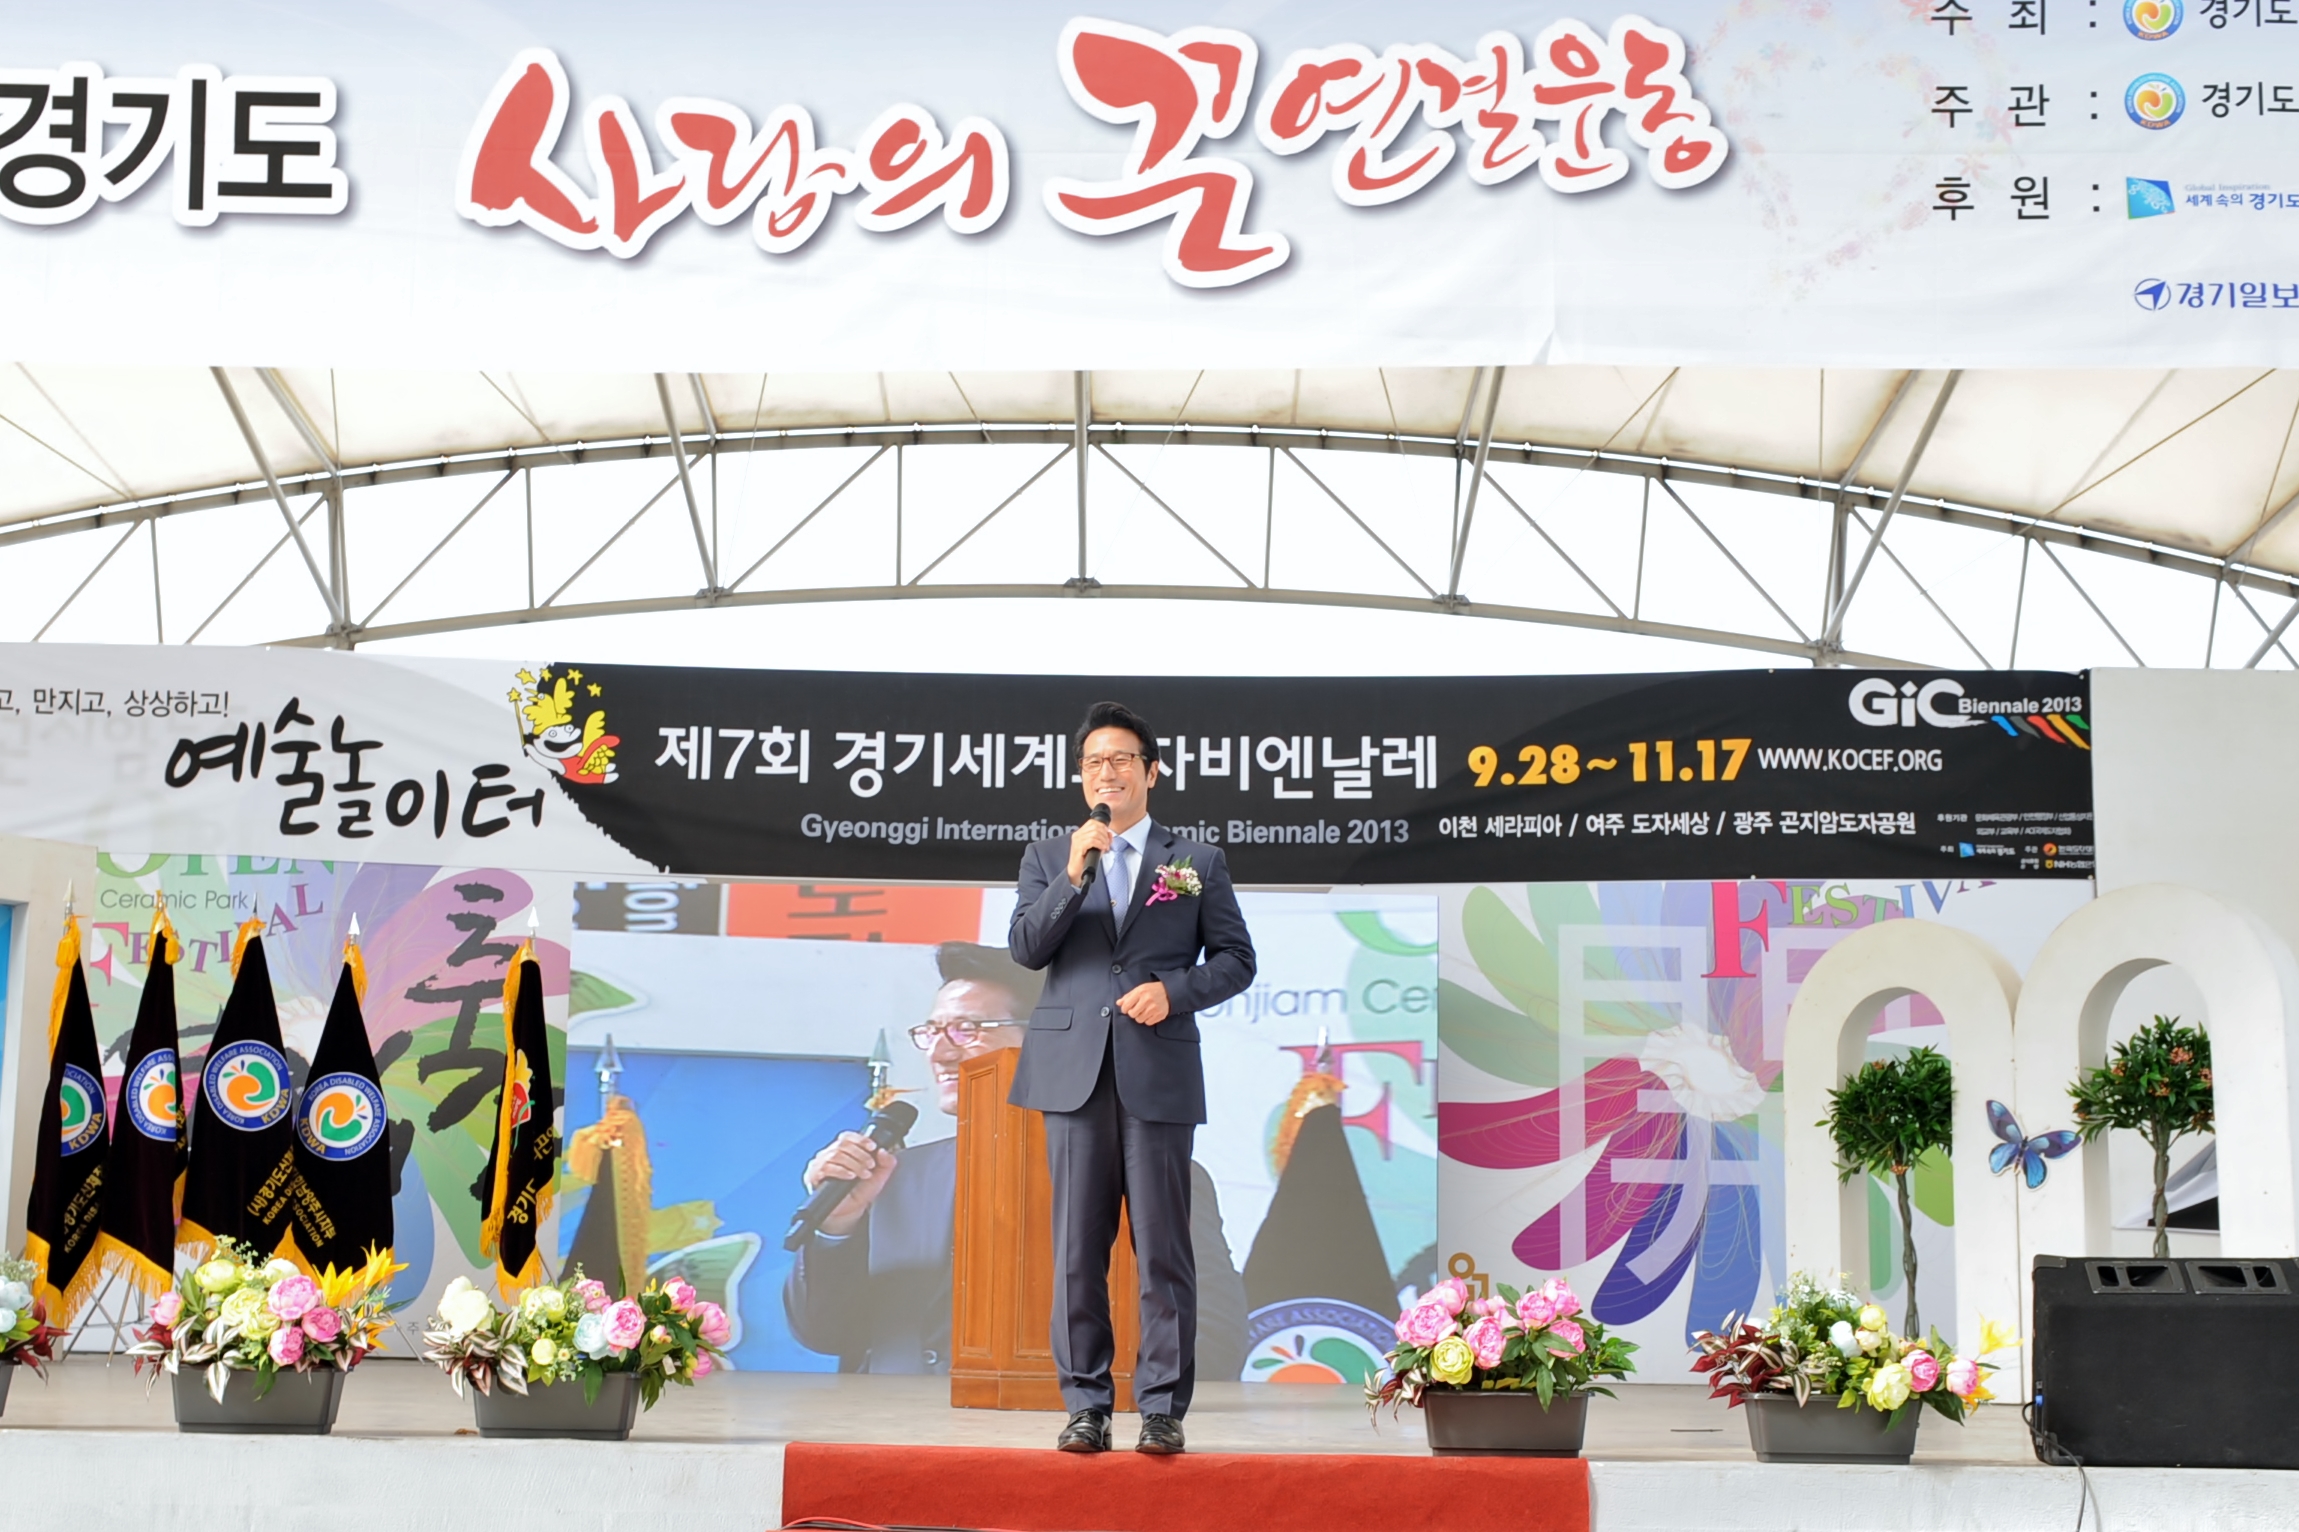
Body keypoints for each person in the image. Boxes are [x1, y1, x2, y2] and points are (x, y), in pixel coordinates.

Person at [782, 940, 1250, 1377]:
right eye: (932, 1031)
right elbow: (826, 1334)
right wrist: (836, 1228)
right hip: (893, 1432)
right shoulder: (891, 1177)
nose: (940, 1052)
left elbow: (1209, 1342)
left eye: (966, 1029)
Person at [1008, 701, 1255, 1455]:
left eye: (1120, 760)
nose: (1105, 773)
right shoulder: (1050, 855)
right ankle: (1086, 1405)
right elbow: (1026, 948)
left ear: (1151, 771)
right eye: (1093, 763)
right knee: (1077, 1253)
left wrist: (1173, 991)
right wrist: (1073, 874)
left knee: (1163, 1251)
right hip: (1072, 1076)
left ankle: (1160, 1408)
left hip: (1158, 1072)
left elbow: (1236, 960)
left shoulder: (1197, 861)